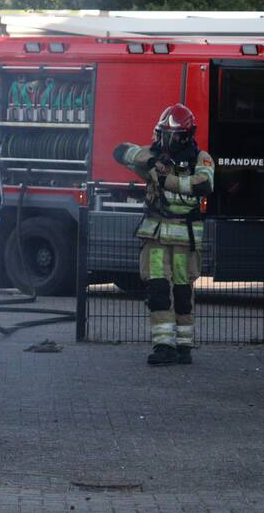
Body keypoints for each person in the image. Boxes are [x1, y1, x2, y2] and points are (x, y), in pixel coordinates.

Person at [114, 103, 214, 366]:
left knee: (182, 293)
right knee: (158, 291)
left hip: (184, 241)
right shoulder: (155, 157)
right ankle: (163, 346)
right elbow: (121, 150)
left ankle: (184, 347)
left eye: (169, 135)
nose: (164, 139)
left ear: (184, 135)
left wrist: (167, 178)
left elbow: (203, 184)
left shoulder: (201, 159)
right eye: (162, 133)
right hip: (156, 237)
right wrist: (151, 161)